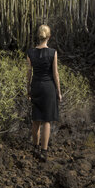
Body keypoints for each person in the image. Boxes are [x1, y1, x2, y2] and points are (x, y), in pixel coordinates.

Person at [26, 24, 62, 162]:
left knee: (36, 120)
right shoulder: (53, 53)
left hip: (36, 86)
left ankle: (35, 148)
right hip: (48, 88)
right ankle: (44, 151)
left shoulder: (30, 53)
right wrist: (58, 91)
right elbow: (55, 74)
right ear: (49, 36)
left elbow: (29, 73)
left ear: (38, 36)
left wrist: (28, 90)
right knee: (46, 121)